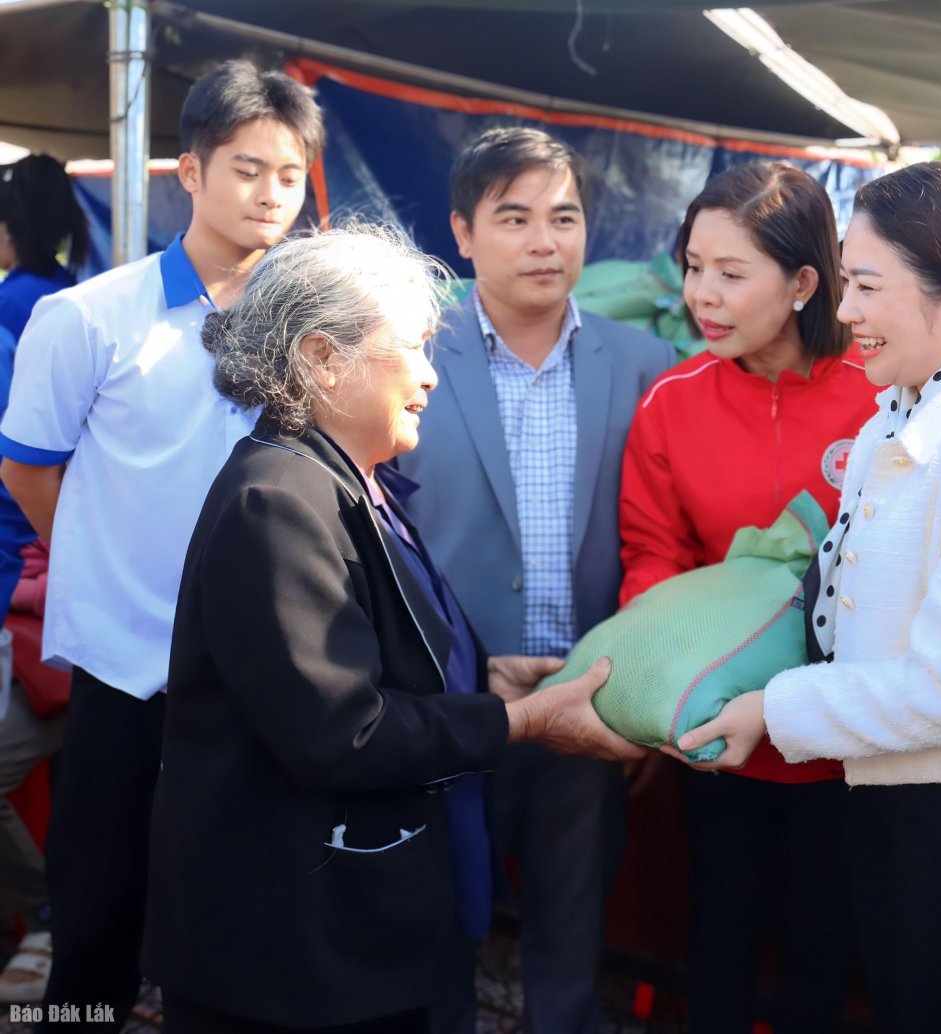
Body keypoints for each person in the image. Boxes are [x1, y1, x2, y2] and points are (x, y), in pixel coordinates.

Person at [140, 225, 644, 1034]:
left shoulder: (348, 481)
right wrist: (515, 721)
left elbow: (386, 658)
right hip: (295, 952)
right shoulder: (278, 501)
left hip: (354, 923)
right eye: (411, 348)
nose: (431, 377)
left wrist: (485, 678)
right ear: (321, 358)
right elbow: (343, 729)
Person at [669, 161, 941, 1034]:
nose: (845, 311)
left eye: (864, 286)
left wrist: (773, 709)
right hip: (895, 785)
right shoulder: (907, 400)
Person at [0, 61, 324, 1030]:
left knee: (241, 917)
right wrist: (102, 563)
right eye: (246, 168)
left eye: (290, 175)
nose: (270, 194)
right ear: (189, 170)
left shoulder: (314, 325)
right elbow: (27, 468)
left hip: (266, 671)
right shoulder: (90, 317)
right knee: (96, 922)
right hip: (128, 664)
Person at [395, 126, 674, 1033]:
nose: (545, 242)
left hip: (585, 702)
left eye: (564, 217)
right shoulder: (410, 355)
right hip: (447, 703)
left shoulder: (644, 365)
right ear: (463, 233)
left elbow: (661, 541)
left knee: (571, 925)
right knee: (434, 922)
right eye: (514, 218)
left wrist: (633, 695)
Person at [618, 161, 878, 1034]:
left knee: (825, 946)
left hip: (852, 737)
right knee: (717, 935)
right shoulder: (672, 401)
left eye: (732, 274)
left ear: (806, 282)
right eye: (694, 266)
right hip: (719, 736)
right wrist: (675, 682)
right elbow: (655, 552)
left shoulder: (883, 397)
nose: (703, 294)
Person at [0, 153, 88, 1004]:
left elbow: (23, 477)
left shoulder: (15, 312)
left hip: (33, 592)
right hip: (49, 583)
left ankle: (60, 918)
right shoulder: (78, 297)